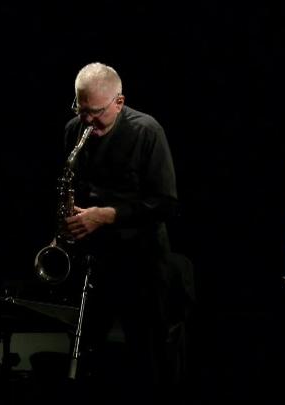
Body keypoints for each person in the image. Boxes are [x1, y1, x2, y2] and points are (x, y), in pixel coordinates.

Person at [54, 62, 190, 403]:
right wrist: (66, 229)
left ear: (119, 102)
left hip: (142, 259)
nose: (87, 121)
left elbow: (166, 203)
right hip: (95, 258)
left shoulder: (147, 131)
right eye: (81, 110)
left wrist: (106, 215)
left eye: (96, 112)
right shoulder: (74, 129)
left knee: (149, 353)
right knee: (88, 351)